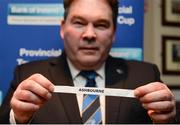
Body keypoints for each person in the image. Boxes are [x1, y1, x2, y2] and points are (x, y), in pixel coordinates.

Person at [0, 0, 178, 124]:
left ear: (114, 32)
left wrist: (167, 121)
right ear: (63, 28)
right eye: (79, 23)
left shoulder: (146, 75)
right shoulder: (26, 75)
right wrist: (18, 119)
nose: (89, 34)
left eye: (101, 25)